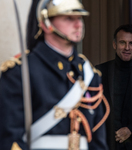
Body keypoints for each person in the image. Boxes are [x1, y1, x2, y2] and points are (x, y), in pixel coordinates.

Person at [0, 0, 109, 150]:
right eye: (68, 18)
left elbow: (98, 141)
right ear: (45, 24)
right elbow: (9, 138)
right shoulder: (21, 71)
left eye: (79, 18)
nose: (78, 25)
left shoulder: (89, 74)